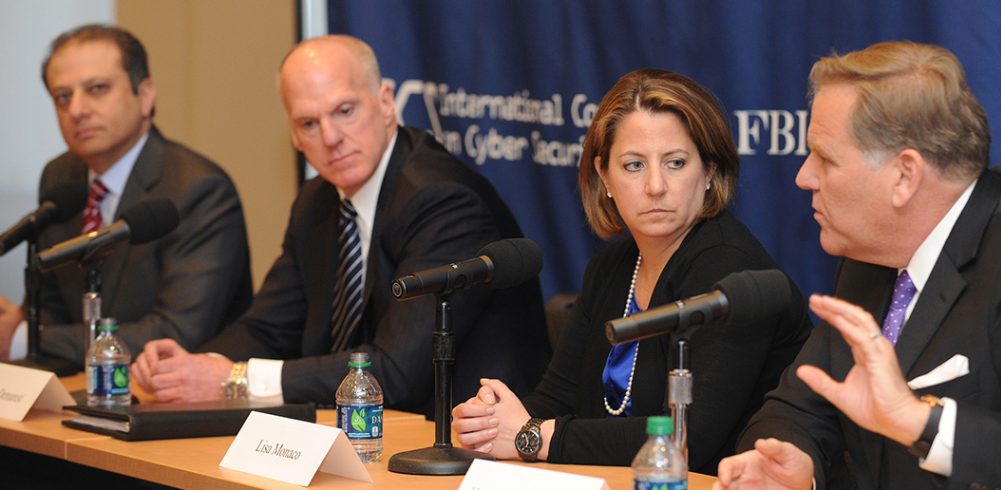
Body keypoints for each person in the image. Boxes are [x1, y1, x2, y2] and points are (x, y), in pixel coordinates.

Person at [130, 35, 550, 416]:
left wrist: (233, 380)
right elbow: (267, 326)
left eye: (344, 111)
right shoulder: (318, 201)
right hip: (372, 430)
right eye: (308, 124)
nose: (330, 137)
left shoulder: (441, 199)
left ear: (386, 102)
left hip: (468, 443)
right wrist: (190, 369)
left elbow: (395, 372)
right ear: (294, 136)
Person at [451, 68, 812, 473]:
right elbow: (557, 398)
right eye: (634, 165)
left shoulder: (728, 268)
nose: (655, 186)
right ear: (604, 175)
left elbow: (685, 438)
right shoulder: (611, 267)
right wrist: (492, 423)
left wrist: (531, 436)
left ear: (709, 171)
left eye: (675, 163)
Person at [716, 41, 1001, 489]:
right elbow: (801, 404)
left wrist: (920, 422)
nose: (804, 176)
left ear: (904, 176)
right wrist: (793, 459)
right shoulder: (869, 256)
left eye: (825, 157)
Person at [0, 24, 251, 364]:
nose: (77, 110)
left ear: (145, 95)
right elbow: (53, 308)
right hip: (80, 388)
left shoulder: (198, 188)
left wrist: (25, 339)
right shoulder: (60, 177)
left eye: (97, 89)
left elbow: (177, 332)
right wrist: (22, 324)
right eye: (63, 97)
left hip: (176, 402)